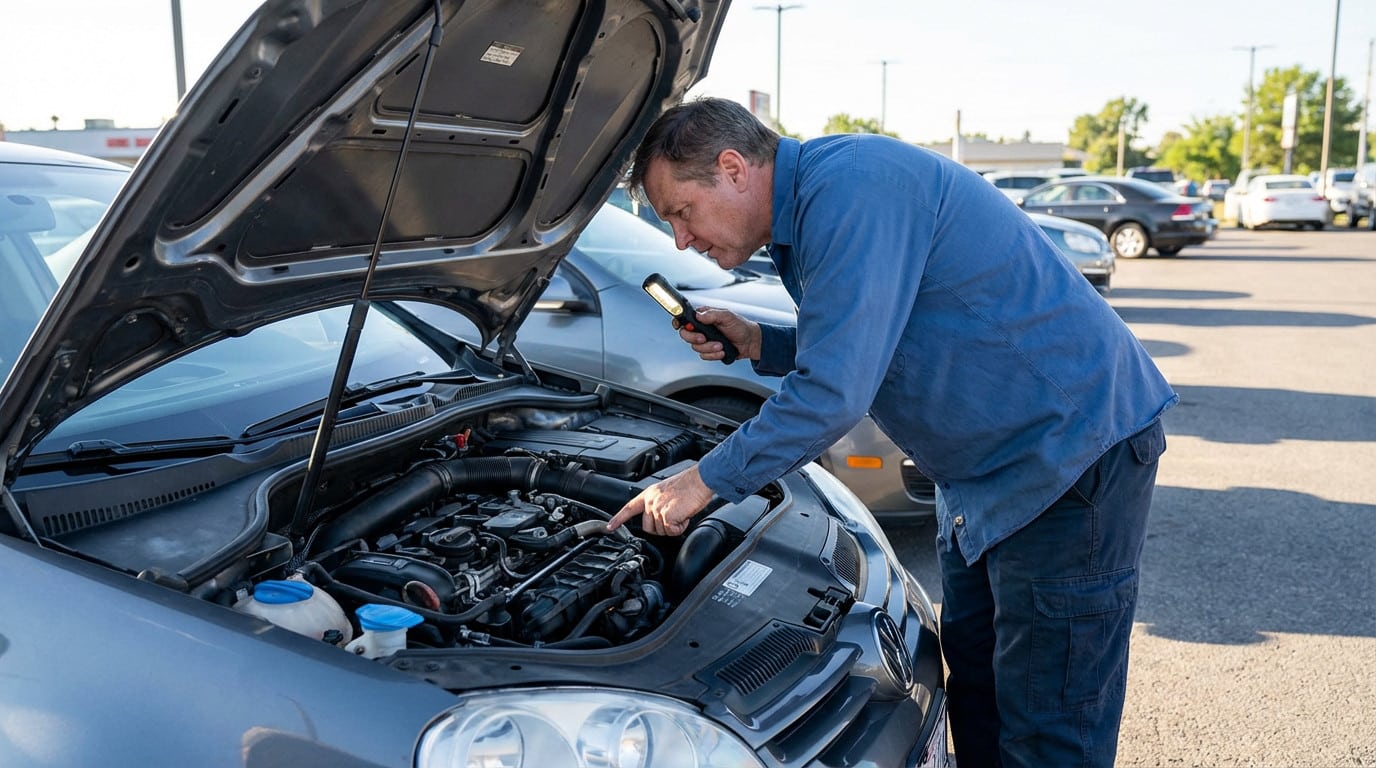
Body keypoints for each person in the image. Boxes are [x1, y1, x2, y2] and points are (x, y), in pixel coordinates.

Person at [604, 97, 1177, 767]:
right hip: (983, 483)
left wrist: (704, 482)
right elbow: (874, 338)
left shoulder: (852, 189)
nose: (681, 240)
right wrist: (760, 341)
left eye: (680, 213)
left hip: (1067, 458)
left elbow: (832, 394)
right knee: (981, 694)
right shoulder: (820, 203)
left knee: (1050, 728)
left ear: (732, 168)